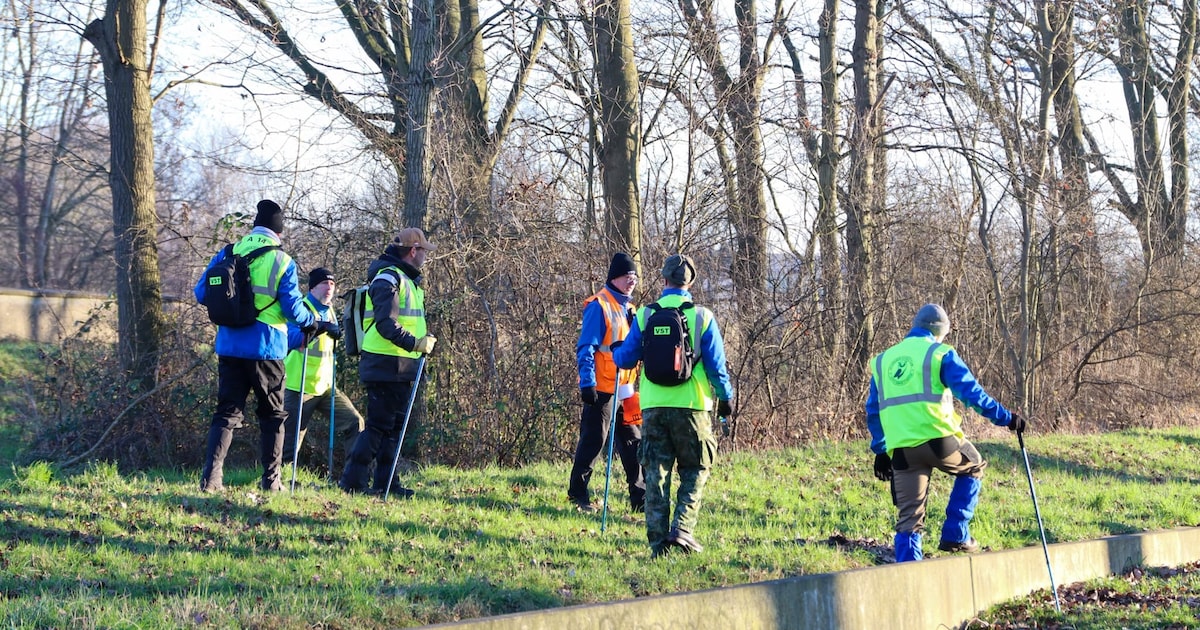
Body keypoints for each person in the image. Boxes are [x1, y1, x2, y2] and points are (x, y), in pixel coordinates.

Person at [865, 303, 1027, 562]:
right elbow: (973, 395)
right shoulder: (940, 353)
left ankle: (910, 573)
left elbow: (873, 411)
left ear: (915, 326)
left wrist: (881, 449)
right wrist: (1007, 419)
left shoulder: (884, 360)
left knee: (909, 519)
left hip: (903, 451)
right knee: (974, 466)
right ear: (940, 331)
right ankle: (956, 532)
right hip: (940, 441)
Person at [613, 254, 734, 557]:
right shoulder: (702, 317)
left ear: (663, 280)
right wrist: (725, 399)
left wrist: (616, 352)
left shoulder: (645, 315)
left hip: (653, 409)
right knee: (696, 467)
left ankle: (657, 545)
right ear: (690, 282)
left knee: (656, 474)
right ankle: (682, 528)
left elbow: (626, 358)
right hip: (693, 407)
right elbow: (718, 367)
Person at [195, 199, 317, 493]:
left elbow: (201, 293)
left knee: (226, 412)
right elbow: (292, 309)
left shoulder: (227, 252)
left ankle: (211, 480)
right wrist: (310, 320)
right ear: (279, 231)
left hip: (229, 346)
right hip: (267, 349)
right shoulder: (282, 261)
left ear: (254, 227)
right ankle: (272, 481)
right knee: (272, 415)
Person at [339, 228, 438, 497]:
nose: (426, 257)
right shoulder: (388, 278)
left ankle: (387, 484)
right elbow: (385, 324)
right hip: (385, 363)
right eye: (424, 252)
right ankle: (352, 483)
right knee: (377, 428)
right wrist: (415, 343)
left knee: (392, 430)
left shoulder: (406, 280)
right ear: (413, 251)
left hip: (401, 365)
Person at [568, 253, 646, 513]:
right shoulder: (598, 305)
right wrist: (586, 382)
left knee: (634, 441)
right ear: (615, 277)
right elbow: (586, 346)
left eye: (634, 276)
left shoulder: (631, 309)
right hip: (602, 387)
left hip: (627, 388)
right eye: (627, 276)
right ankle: (578, 495)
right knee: (594, 441)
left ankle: (640, 499)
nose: (631, 281)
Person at [283, 267, 365, 478]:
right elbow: (290, 338)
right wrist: (321, 328)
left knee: (355, 422)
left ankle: (353, 478)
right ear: (312, 287)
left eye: (332, 284)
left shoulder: (330, 311)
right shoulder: (300, 308)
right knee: (290, 441)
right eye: (324, 283)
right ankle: (281, 481)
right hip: (298, 387)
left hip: (326, 387)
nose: (329, 287)